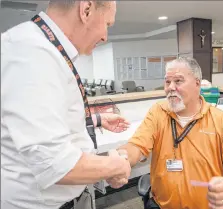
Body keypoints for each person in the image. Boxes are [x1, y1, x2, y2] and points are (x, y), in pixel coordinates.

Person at [1, 1, 131, 209]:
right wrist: (114, 166)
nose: (106, 36)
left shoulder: (48, 50)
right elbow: (53, 162)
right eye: (107, 23)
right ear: (86, 9)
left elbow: (47, 119)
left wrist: (96, 119)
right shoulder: (32, 53)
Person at [116, 57, 223, 209]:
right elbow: (137, 146)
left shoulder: (220, 120)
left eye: (178, 81)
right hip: (163, 205)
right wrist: (121, 158)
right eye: (167, 82)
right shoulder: (158, 112)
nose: (170, 87)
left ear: (197, 83)